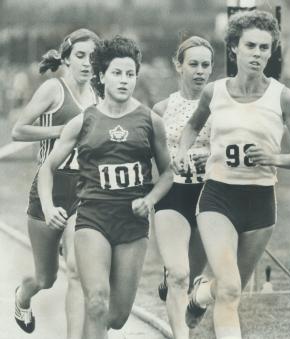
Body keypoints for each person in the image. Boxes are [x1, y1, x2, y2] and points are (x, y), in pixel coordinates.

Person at [173, 10, 290, 339]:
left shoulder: (284, 98)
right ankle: (207, 296)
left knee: (226, 289)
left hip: (260, 203)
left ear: (272, 51)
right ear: (235, 47)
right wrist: (181, 152)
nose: (258, 54)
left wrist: (273, 157)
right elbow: (192, 127)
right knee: (233, 288)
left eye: (265, 48)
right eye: (251, 46)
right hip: (218, 197)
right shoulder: (215, 92)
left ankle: (199, 295)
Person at [37, 36, 173, 339]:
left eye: (130, 74)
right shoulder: (83, 121)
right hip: (92, 219)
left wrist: (150, 199)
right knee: (96, 302)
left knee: (117, 315)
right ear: (101, 76)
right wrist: (48, 206)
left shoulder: (151, 122)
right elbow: (48, 168)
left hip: (132, 225)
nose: (124, 80)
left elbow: (168, 174)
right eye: (117, 73)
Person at [12, 28, 100, 338]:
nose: (87, 63)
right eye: (80, 56)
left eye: (92, 56)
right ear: (66, 58)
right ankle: (22, 297)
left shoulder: (100, 95)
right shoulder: (53, 89)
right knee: (45, 277)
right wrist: (63, 131)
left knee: (76, 269)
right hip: (49, 188)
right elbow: (18, 130)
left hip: (84, 190)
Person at [153, 36, 213, 339]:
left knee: (191, 277)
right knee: (178, 274)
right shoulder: (163, 108)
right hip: (173, 195)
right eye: (193, 64)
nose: (200, 71)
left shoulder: (221, 106)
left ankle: (192, 297)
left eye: (205, 65)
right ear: (179, 66)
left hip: (210, 199)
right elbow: (150, 156)